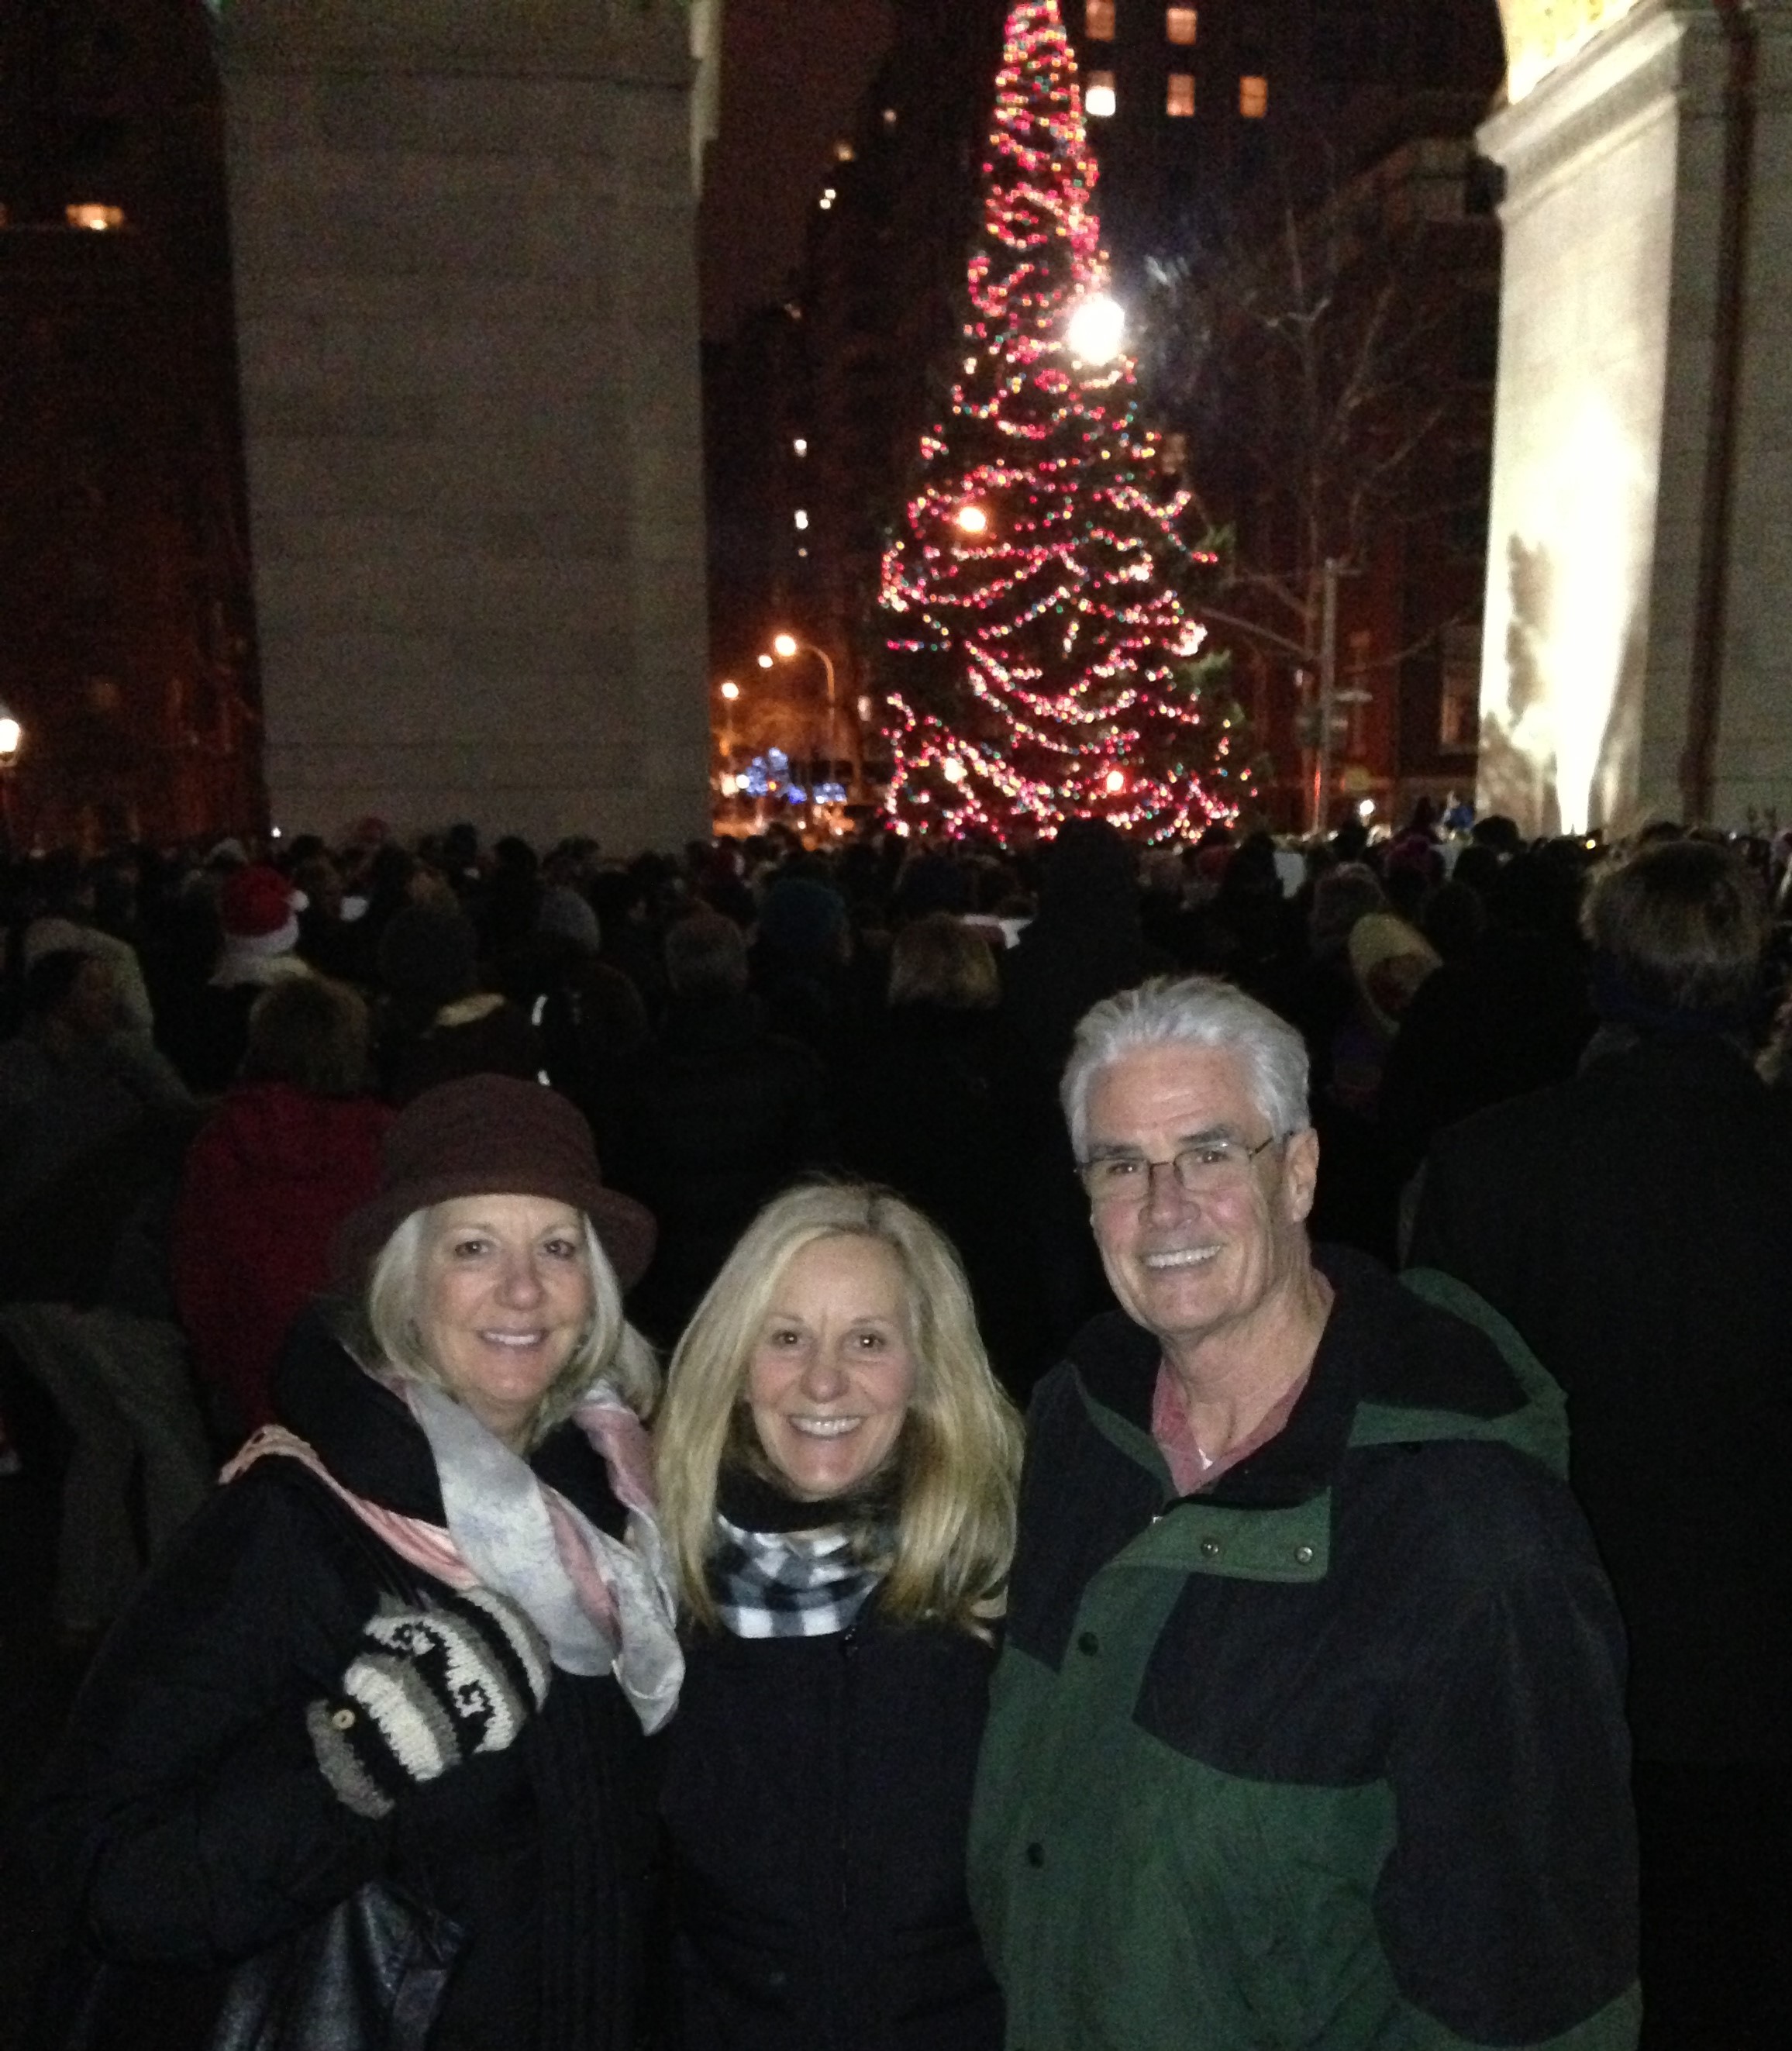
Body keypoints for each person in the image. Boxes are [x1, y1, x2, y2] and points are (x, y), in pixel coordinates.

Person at [970, 974, 1639, 2050]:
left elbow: (1533, 1996)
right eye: (1122, 1165)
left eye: (1209, 1153)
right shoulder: (1079, 1423)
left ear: (1298, 1172)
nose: (1164, 1206)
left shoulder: (1470, 1538)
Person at [23, 1073, 681, 2051]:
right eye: (472, 1248)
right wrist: (357, 1756)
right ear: (404, 1286)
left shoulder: (622, 1517)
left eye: (556, 1248)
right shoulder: (291, 1529)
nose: (523, 1289)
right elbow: (104, 1876)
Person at [1410, 836, 1792, 2049]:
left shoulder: (1496, 1163)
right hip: (1754, 1660)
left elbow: (1438, 1428)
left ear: (1606, 968)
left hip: (1551, 1646)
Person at [653, 1182, 1020, 2050]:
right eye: (786, 1338)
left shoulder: (1005, 1585)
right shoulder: (648, 1589)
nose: (823, 1381)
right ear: (737, 1365)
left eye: (867, 1340)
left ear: (924, 1369)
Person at [171, 974, 395, 1441]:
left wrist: (214, 1365)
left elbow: (200, 1266)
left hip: (258, 1359)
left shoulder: (224, 1139)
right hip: (368, 1361)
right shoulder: (384, 1139)